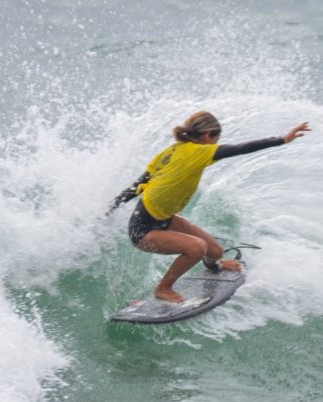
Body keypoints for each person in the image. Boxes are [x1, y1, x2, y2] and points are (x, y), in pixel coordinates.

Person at [109, 111, 310, 302]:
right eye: (216, 138)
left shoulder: (172, 151)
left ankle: (216, 264)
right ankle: (163, 288)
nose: (217, 143)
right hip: (143, 230)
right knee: (197, 247)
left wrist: (112, 206)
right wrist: (282, 139)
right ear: (207, 136)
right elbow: (240, 148)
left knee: (214, 252)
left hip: (164, 218)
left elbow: (137, 185)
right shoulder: (198, 152)